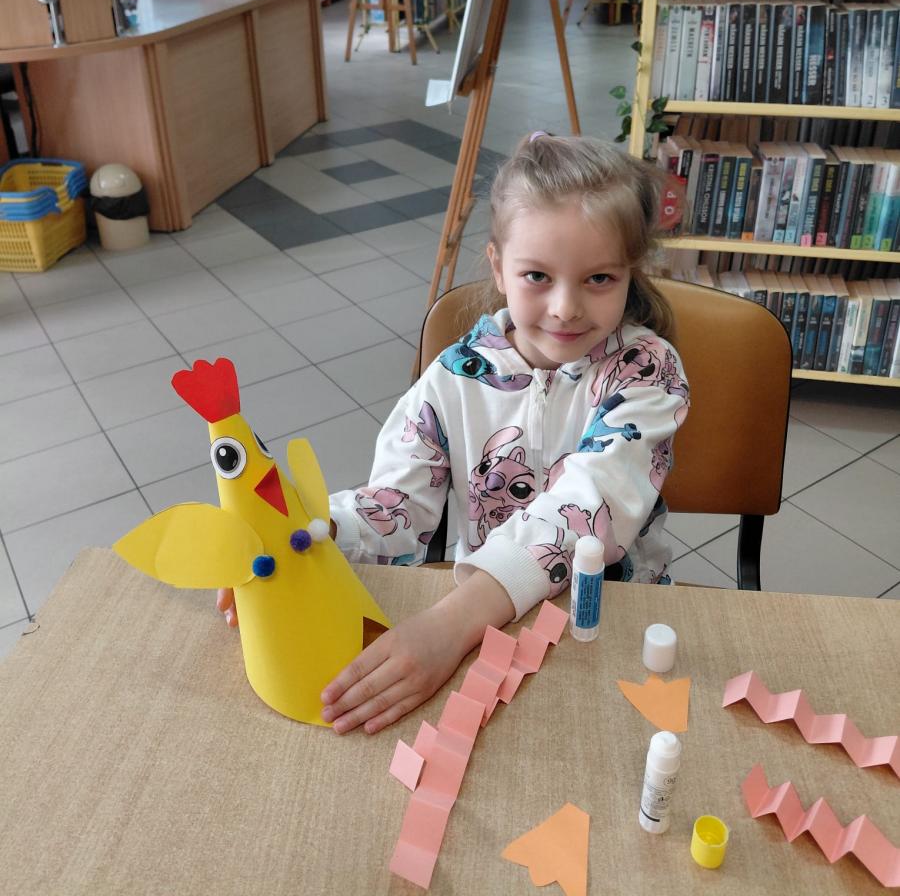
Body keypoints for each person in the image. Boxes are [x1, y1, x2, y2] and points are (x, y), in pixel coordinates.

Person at [218, 133, 690, 734]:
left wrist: (451, 623)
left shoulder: (646, 372)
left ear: (630, 272)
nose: (566, 308)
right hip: (487, 619)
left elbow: (590, 505)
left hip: (607, 615)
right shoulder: (453, 377)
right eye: (537, 276)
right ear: (498, 266)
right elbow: (397, 503)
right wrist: (316, 533)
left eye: (599, 278)